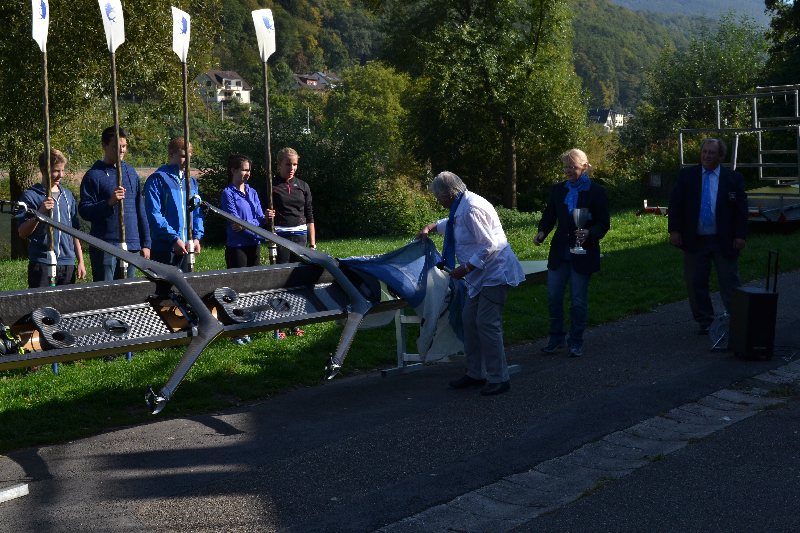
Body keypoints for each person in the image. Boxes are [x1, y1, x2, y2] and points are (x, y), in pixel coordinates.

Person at [416, 171, 525, 396]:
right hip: (479, 276)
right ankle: (476, 373)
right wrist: (430, 227)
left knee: (486, 323)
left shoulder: (472, 207)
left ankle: (499, 378)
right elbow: (453, 224)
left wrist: (464, 269)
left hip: (494, 273)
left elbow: (490, 245)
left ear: (447, 194)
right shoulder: (461, 204)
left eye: (438, 197)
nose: (438, 201)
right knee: (469, 320)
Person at [534, 148, 610, 358]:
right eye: (566, 167)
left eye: (572, 167)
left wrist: (589, 233)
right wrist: (542, 232)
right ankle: (556, 338)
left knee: (578, 300)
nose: (568, 171)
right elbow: (549, 216)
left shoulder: (597, 191)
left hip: (584, 253)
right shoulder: (558, 189)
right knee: (553, 297)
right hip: (560, 253)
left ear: (584, 167)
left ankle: (575, 342)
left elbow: (604, 223)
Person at [668, 138, 747, 334]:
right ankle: (704, 319)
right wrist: (675, 230)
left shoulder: (733, 178)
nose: (707, 156)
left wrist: (740, 236)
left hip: (724, 240)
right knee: (695, 280)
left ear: (721, 156)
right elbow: (676, 204)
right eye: (704, 152)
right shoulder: (688, 175)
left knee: (729, 280)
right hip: (695, 239)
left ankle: (736, 318)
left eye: (712, 152)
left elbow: (741, 210)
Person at [78, 126, 150, 281]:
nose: (122, 150)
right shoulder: (93, 175)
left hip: (131, 245)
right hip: (105, 246)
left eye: (124, 146)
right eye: (116, 146)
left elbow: (140, 209)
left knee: (128, 291)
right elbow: (84, 210)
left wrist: (145, 243)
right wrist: (108, 203)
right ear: (104, 146)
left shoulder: (131, 173)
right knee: (106, 292)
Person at [17, 149, 86, 288]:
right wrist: (40, 213)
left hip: (67, 264)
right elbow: (22, 232)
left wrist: (81, 261)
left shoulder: (68, 196)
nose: (61, 175)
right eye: (56, 171)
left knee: (66, 302)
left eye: (62, 170)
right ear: (43, 170)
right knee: (41, 302)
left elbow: (74, 231)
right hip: (42, 263)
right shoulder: (30, 196)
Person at [220, 154, 270, 344]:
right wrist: (257, 229)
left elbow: (257, 219)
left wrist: (263, 219)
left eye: (249, 170)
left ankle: (248, 326)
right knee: (237, 288)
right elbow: (235, 223)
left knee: (252, 286)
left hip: (254, 244)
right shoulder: (228, 194)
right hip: (237, 247)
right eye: (244, 170)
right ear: (234, 170)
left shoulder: (252, 192)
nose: (248, 173)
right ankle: (236, 330)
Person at [143, 137, 204, 271]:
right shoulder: (157, 179)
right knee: (164, 284)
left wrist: (196, 237)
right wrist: (174, 239)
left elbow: (197, 212)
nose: (187, 161)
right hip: (164, 248)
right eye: (183, 156)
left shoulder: (191, 182)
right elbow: (154, 214)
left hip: (187, 247)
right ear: (171, 154)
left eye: (189, 157)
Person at [260, 147, 316, 264]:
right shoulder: (270, 185)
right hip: (280, 236)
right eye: (288, 164)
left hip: (300, 236)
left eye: (295, 164)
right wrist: (267, 220)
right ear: (279, 164)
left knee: (299, 270)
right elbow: (261, 213)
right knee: (282, 271)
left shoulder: (303, 186)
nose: (292, 168)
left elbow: (309, 215)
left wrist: (312, 244)